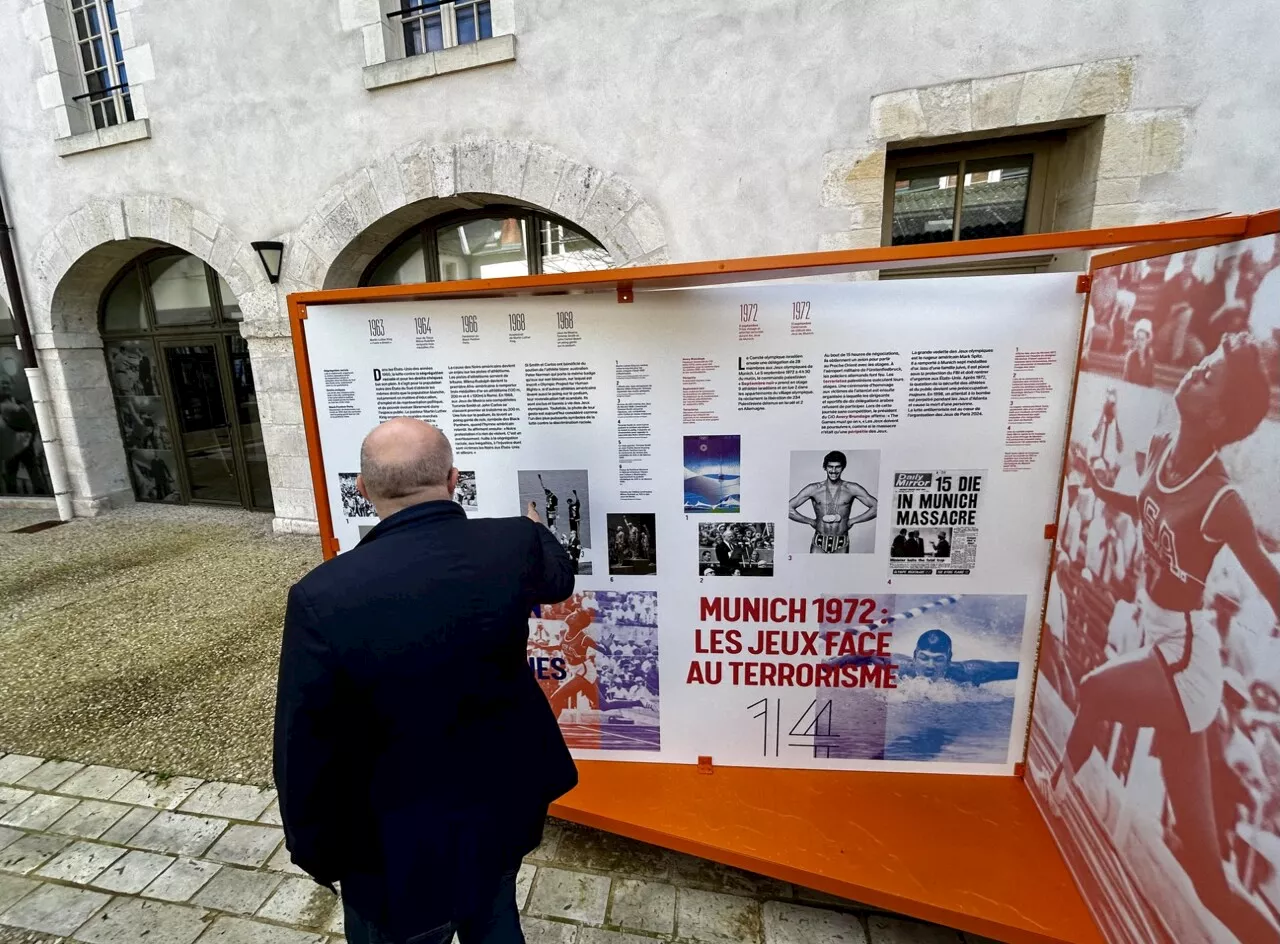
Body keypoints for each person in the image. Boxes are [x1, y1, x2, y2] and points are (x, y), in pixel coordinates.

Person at [274, 417, 577, 944]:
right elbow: (559, 575)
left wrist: (314, 850)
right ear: (453, 479)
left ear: (363, 490)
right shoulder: (512, 542)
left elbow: (303, 744)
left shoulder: (322, 595)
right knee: (495, 917)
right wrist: (534, 528)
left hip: (392, 846)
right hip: (497, 809)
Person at [1039, 334, 1280, 944]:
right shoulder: (1169, 447)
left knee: (1093, 693)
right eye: (1200, 364)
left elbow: (1270, 584)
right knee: (1206, 875)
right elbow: (1143, 503)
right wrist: (1097, 488)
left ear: (1217, 415)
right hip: (1162, 641)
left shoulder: (1223, 500)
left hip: (1186, 660)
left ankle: (1051, 803)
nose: (1194, 370)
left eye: (1207, 375)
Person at [788, 451, 877, 553]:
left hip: (841, 541)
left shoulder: (851, 488)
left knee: (840, 569)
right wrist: (810, 521)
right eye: (830, 466)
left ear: (842, 468)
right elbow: (788, 509)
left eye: (837, 467)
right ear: (825, 467)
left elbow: (876, 508)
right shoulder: (814, 489)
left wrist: (853, 521)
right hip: (819, 540)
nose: (833, 470)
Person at [1123, 318, 1155, 386]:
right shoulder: (1131, 356)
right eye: (1137, 339)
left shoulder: (1150, 357)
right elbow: (1126, 380)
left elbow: (1150, 382)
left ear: (1147, 340)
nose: (1139, 342)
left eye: (1142, 339)